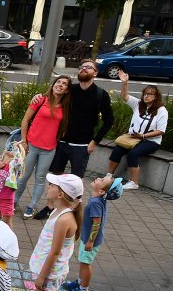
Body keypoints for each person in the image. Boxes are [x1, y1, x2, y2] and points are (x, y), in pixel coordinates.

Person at [11, 173, 82, 291]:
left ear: (61, 194)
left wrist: (42, 276)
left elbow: (55, 252)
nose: (48, 187)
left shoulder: (65, 219)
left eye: (52, 185)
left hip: (50, 273)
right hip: (45, 270)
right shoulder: (57, 211)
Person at [34, 60, 112, 219]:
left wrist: (95, 141)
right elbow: (52, 97)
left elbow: (109, 120)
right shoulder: (71, 90)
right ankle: (49, 207)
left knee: (77, 180)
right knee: (55, 177)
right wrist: (38, 97)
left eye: (89, 67)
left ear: (95, 73)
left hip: (82, 146)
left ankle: (74, 211)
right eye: (82, 67)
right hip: (61, 142)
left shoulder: (100, 95)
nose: (84, 69)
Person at [15, 75, 72, 219]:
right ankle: (14, 202)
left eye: (64, 84)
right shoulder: (40, 100)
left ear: (66, 90)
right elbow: (25, 120)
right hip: (31, 145)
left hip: (49, 149)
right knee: (23, 177)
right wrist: (24, 141)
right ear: (53, 84)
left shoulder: (66, 107)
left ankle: (32, 206)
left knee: (40, 178)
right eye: (58, 82)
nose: (60, 85)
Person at [61, 175, 123, 291]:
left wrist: (90, 241)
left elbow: (97, 223)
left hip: (91, 240)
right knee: (83, 261)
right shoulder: (97, 200)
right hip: (88, 237)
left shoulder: (95, 203)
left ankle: (83, 290)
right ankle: (79, 282)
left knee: (86, 263)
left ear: (101, 191)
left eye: (102, 180)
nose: (99, 178)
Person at [107, 71, 168, 190]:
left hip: (150, 141)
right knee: (117, 150)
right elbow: (125, 97)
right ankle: (109, 176)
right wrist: (125, 83)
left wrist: (143, 136)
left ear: (156, 97)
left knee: (133, 153)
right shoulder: (138, 104)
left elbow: (160, 131)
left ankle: (134, 182)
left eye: (150, 94)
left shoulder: (162, 110)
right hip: (134, 137)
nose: (146, 96)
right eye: (145, 94)